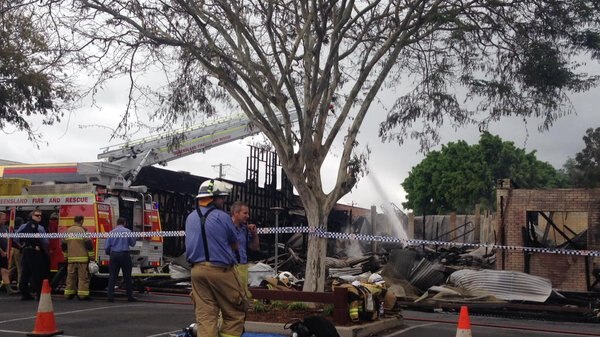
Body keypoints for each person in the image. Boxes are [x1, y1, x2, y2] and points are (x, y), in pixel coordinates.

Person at [185, 179, 247, 337]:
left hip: (197, 272)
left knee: (206, 317)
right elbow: (234, 244)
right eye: (222, 197)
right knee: (235, 312)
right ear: (213, 198)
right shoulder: (223, 217)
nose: (224, 201)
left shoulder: (190, 217)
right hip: (220, 271)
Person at [16, 210, 49, 300]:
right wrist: (35, 246)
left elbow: (16, 236)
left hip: (26, 250)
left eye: (40, 215)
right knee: (37, 272)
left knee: (25, 272)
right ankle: (39, 294)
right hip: (33, 251)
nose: (39, 217)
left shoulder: (24, 226)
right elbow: (44, 241)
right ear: (32, 216)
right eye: (37, 215)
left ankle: (25, 293)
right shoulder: (36, 226)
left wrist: (22, 245)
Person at [230, 201, 260, 297]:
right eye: (245, 213)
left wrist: (254, 234)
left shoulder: (245, 230)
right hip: (229, 268)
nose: (248, 216)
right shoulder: (226, 227)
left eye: (248, 213)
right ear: (235, 213)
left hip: (242, 267)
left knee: (242, 297)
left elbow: (254, 247)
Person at [105, 217, 137, 302]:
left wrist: (109, 253)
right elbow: (132, 244)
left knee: (112, 276)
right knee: (127, 277)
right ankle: (130, 297)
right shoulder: (128, 232)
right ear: (124, 223)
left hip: (114, 255)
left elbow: (107, 246)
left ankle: (110, 297)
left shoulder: (111, 232)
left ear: (117, 223)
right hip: (125, 255)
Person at [62, 215, 94, 300]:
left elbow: (63, 246)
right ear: (81, 221)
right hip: (82, 259)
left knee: (70, 277)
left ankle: (69, 294)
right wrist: (91, 256)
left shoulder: (68, 231)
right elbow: (89, 245)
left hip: (71, 259)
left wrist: (66, 256)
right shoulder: (82, 231)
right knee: (83, 278)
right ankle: (83, 295)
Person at [0, 212, 15, 293]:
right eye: (3, 218)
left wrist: (7, 251)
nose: (5, 220)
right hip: (1, 252)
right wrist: (1, 250)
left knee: (5, 270)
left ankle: (9, 289)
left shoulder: (5, 228)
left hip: (4, 253)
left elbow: (7, 240)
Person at [8, 217, 24, 289]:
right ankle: (19, 285)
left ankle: (5, 283)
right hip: (18, 250)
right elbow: (16, 239)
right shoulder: (21, 229)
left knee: (11, 267)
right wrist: (20, 246)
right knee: (20, 268)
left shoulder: (12, 229)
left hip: (12, 249)